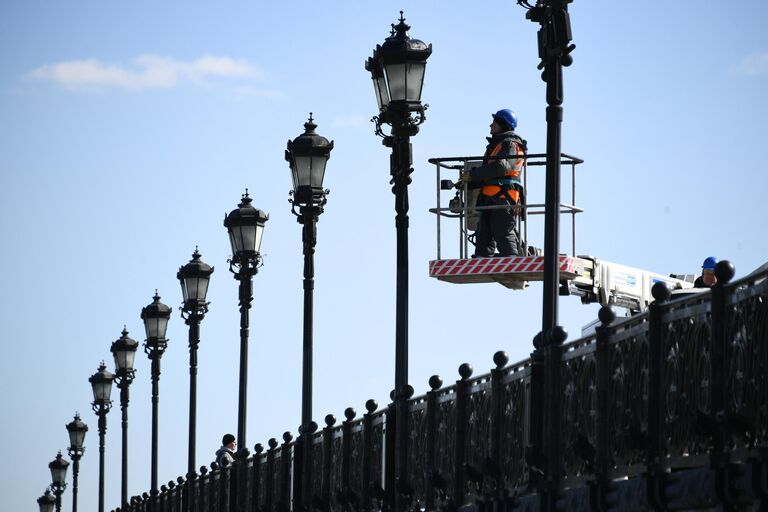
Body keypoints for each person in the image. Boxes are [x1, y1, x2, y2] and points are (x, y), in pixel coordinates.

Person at [466, 109, 527, 257]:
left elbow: (501, 167)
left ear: (503, 124)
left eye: (494, 122)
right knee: (484, 232)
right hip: (491, 196)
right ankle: (482, 256)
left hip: (503, 196)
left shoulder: (511, 145)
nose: (490, 125)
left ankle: (512, 259)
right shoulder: (498, 145)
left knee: (502, 229)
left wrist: (473, 175)